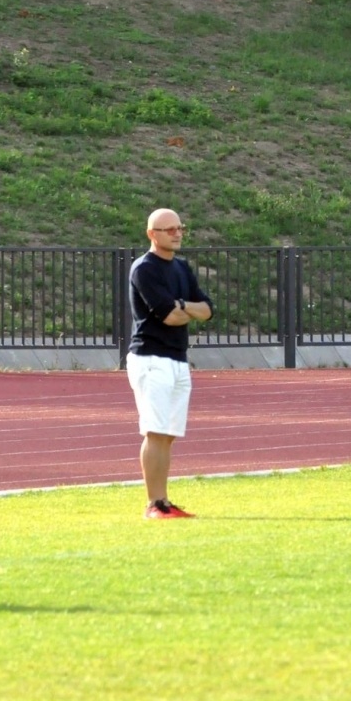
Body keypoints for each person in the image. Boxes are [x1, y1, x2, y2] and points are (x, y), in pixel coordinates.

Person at [126, 208, 212, 519]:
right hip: (151, 358)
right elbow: (170, 316)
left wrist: (182, 304)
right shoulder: (144, 268)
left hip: (178, 359)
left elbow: (207, 309)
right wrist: (185, 309)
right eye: (169, 229)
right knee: (155, 430)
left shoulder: (181, 268)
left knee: (168, 433)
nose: (176, 233)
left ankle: (164, 500)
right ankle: (154, 503)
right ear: (152, 234)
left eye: (180, 228)